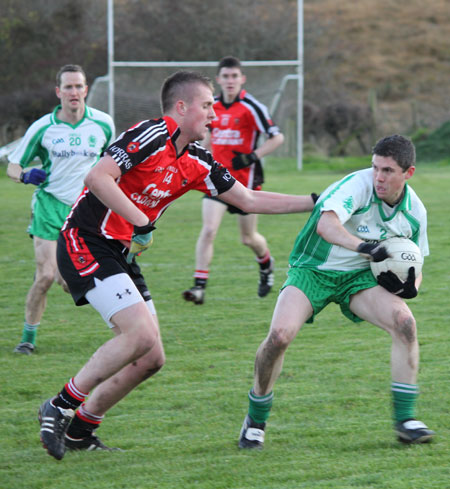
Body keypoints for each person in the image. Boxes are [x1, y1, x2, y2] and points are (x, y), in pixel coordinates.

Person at [37, 70, 316, 460]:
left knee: (152, 357)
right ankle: (61, 406)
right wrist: (141, 221)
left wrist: (317, 201)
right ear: (181, 108)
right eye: (206, 106)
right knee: (136, 336)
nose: (213, 116)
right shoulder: (151, 134)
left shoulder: (199, 160)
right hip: (85, 239)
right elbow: (98, 177)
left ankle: (82, 430)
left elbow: (249, 199)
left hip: (121, 252)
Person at [238, 134, 435, 449]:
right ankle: (255, 420)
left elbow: (415, 261)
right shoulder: (357, 186)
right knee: (279, 337)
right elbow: (326, 226)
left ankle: (406, 420)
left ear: (407, 173)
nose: (379, 177)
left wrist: (411, 287)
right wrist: (364, 247)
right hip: (313, 269)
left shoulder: (415, 212)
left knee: (405, 322)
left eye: (387, 171)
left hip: (358, 278)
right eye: (375, 168)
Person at [7, 64, 115, 355]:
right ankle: (27, 340)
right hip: (48, 206)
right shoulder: (43, 127)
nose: (74, 92)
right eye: (68, 87)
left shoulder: (104, 124)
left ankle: (123, 327)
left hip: (83, 212)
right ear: (59, 92)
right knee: (44, 277)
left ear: (86, 90)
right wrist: (25, 175)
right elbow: (12, 165)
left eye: (79, 86)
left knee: (68, 283)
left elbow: (115, 165)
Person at [182, 56, 284, 305]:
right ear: (218, 80)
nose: (230, 81)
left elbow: (277, 137)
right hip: (216, 179)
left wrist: (252, 157)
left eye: (234, 76)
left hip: (245, 182)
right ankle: (199, 287)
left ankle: (266, 264)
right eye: (225, 76)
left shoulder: (252, 106)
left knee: (248, 238)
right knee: (208, 230)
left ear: (242, 79)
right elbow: (206, 137)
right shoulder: (212, 106)